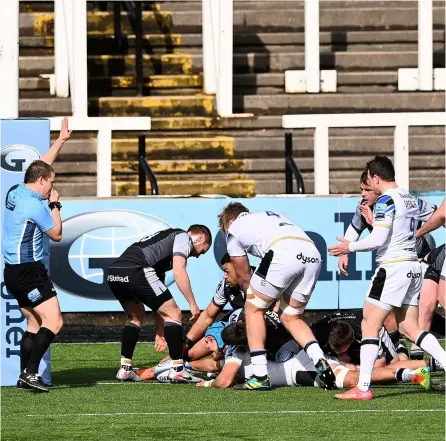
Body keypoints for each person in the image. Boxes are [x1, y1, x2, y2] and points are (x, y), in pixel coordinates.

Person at [329, 156, 446, 400]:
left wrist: (349, 248)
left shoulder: (385, 201)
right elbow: (436, 214)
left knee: (368, 324)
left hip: (392, 268)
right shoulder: (409, 197)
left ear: (376, 177)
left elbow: (378, 240)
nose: (368, 184)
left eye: (368, 179)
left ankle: (362, 388)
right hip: (414, 268)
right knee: (409, 328)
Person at [218, 202, 336, 390]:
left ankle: (260, 375)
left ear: (230, 221)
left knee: (253, 309)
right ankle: (319, 359)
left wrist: (255, 300)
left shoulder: (234, 230)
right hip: (313, 254)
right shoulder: (270, 216)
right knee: (291, 317)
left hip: (283, 253)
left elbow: (243, 276)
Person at [2, 117, 72, 392]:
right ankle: (31, 373)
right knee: (54, 321)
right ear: (41, 181)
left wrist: (60, 141)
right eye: (50, 182)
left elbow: (40, 165)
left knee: (33, 322)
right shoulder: (36, 205)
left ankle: (23, 374)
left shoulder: (17, 192)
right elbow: (55, 234)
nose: (50, 187)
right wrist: (56, 204)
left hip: (11, 271)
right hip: (30, 271)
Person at [108, 224, 212, 383]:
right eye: (203, 250)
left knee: (136, 318)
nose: (198, 256)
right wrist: (192, 303)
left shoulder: (161, 260)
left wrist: (160, 332)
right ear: (200, 238)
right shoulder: (183, 236)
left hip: (115, 271)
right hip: (137, 269)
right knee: (175, 313)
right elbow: (179, 272)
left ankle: (125, 369)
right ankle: (178, 369)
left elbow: (159, 304)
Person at [194, 322, 432, 391]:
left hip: (304, 368)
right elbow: (211, 364)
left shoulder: (237, 352)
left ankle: (411, 374)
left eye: (213, 344)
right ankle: (432, 364)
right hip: (303, 361)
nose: (212, 351)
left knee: (353, 379)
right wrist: (184, 366)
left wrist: (206, 383)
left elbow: (223, 379)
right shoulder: (244, 345)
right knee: (358, 372)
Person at [182, 253, 247, 361]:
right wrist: (184, 345)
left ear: (239, 269)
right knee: (189, 354)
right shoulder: (225, 285)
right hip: (236, 327)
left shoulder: (262, 283)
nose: (224, 276)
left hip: (264, 331)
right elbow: (208, 315)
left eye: (227, 271)